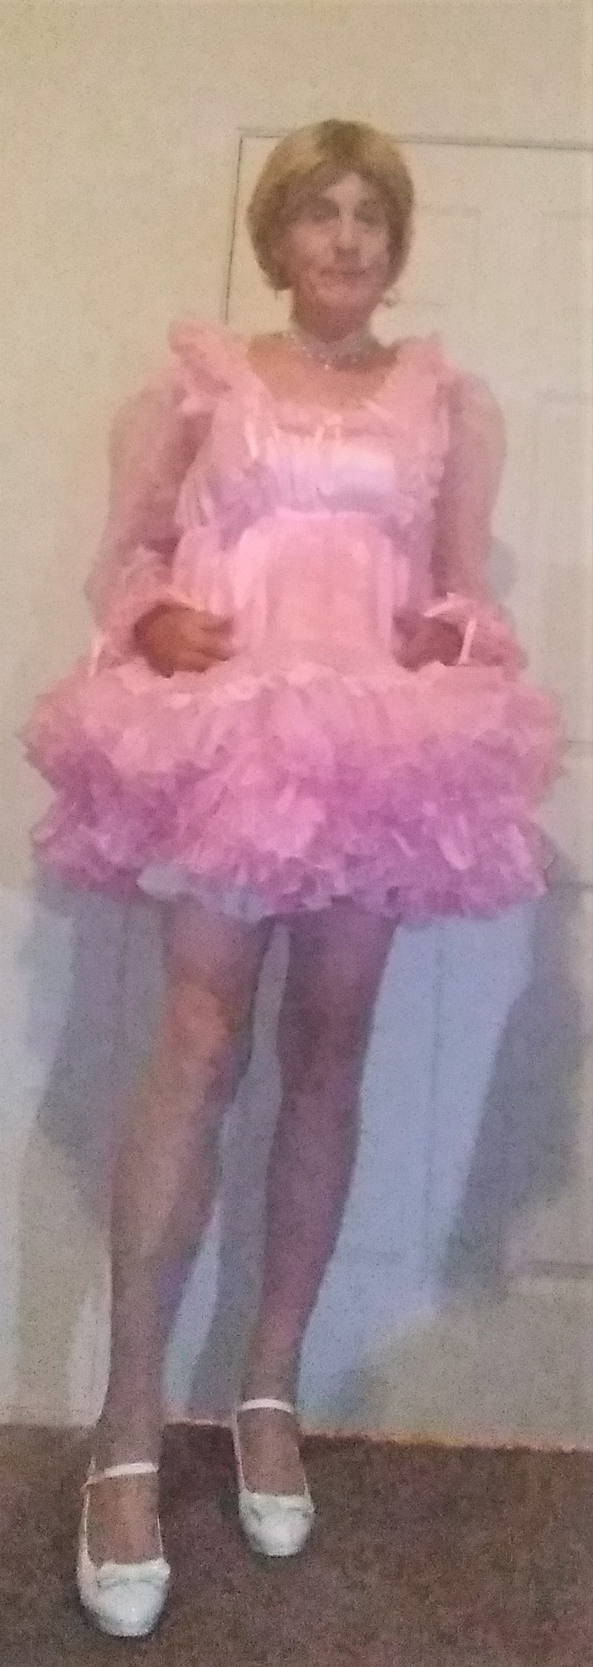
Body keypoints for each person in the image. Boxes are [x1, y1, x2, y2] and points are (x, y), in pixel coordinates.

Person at [24, 118, 562, 1637]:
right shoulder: (200, 385)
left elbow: (458, 585)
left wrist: (459, 635)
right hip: (230, 737)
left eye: (368, 215)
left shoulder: (448, 402)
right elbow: (125, 561)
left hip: (373, 751)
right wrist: (150, 621)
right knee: (196, 1040)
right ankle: (129, 1429)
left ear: (395, 243)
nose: (344, 238)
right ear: (276, 236)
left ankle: (269, 1388)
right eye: (318, 213)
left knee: (329, 1051)